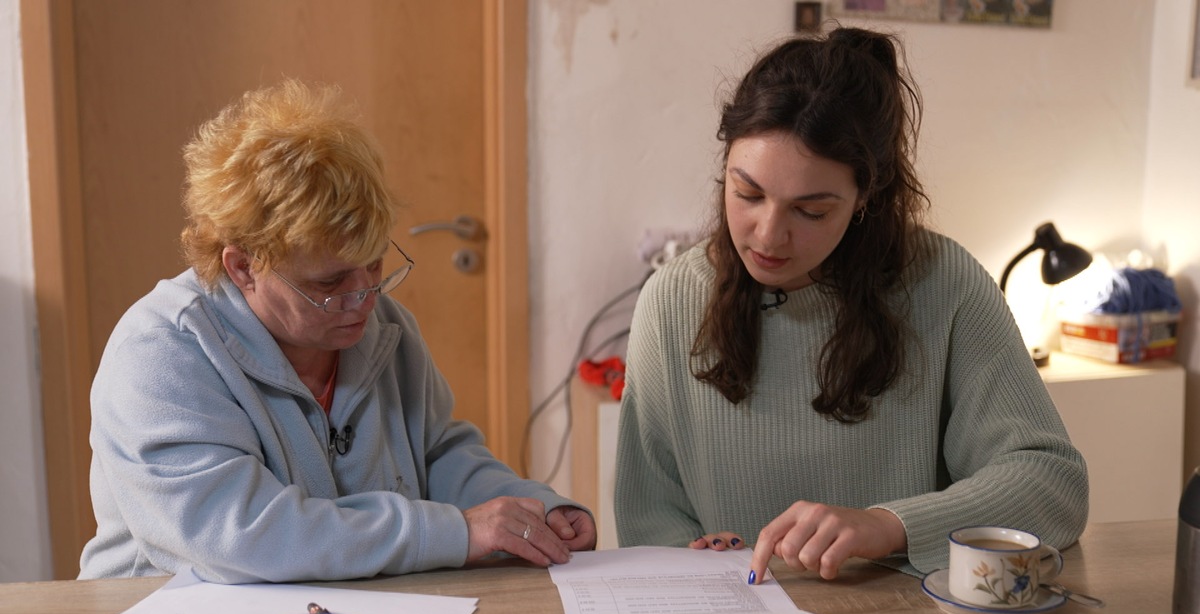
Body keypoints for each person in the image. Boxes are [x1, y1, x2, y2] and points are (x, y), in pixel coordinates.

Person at [613, 27, 1087, 584]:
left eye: (811, 211)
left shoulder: (943, 284)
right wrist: (692, 559)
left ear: (866, 197)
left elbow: (1052, 483)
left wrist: (890, 525)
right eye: (747, 193)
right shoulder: (672, 302)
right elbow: (648, 520)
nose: (768, 235)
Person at [79, 79, 595, 583]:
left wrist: (532, 514)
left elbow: (438, 453)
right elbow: (245, 536)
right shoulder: (159, 354)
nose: (365, 297)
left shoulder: (384, 326)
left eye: (374, 265)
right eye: (328, 282)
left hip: (341, 612)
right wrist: (454, 532)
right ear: (242, 268)